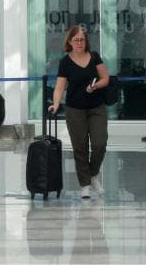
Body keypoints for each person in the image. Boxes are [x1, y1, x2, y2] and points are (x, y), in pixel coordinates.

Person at [48, 26, 110, 199]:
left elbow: (105, 78)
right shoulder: (65, 62)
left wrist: (95, 86)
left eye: (82, 40)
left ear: (86, 41)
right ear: (69, 42)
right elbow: (60, 86)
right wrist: (55, 103)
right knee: (80, 147)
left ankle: (93, 174)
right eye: (76, 40)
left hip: (96, 107)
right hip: (74, 109)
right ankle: (85, 184)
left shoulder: (94, 56)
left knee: (100, 143)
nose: (79, 43)